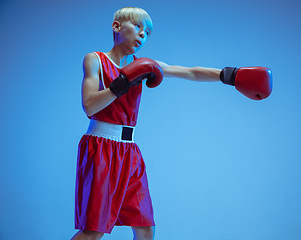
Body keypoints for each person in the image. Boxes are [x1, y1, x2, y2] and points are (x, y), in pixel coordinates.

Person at [71, 6, 272, 240]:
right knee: (93, 231)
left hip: (129, 152)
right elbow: (89, 106)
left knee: (145, 228)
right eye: (137, 27)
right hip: (101, 148)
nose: (142, 34)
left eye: (146, 32)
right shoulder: (95, 60)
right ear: (117, 26)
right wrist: (122, 82)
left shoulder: (146, 65)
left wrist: (230, 75)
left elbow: (190, 72)